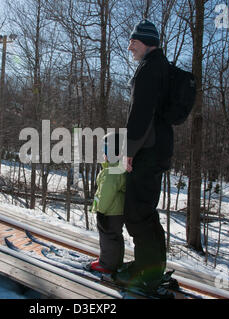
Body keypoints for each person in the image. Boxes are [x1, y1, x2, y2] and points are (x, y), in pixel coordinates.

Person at [113, 19, 172, 291]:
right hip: (157, 149)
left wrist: (129, 151)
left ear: (146, 41)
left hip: (147, 150)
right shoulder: (162, 67)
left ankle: (146, 274)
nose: (129, 48)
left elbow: (140, 115)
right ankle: (153, 268)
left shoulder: (149, 69)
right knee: (146, 212)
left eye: (133, 42)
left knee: (136, 213)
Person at [89, 132, 126, 274]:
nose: (103, 154)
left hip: (109, 212)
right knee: (115, 236)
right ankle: (116, 262)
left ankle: (107, 264)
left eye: (105, 150)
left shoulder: (112, 171)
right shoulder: (117, 168)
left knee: (107, 237)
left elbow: (106, 194)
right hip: (117, 212)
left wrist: (101, 212)